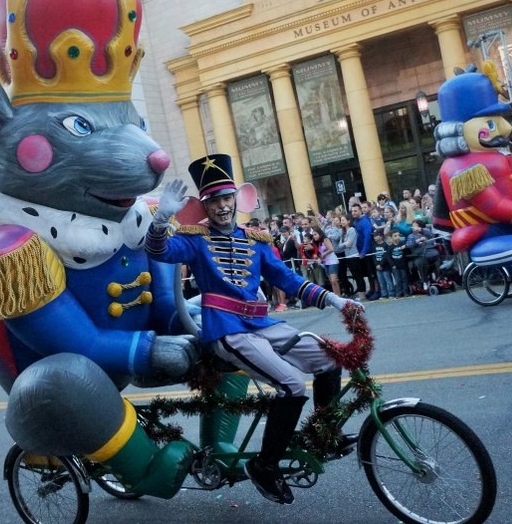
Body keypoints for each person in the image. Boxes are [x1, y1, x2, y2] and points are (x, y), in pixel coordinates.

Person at [145, 153, 364, 505]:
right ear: (205, 205)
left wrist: (334, 300)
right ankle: (265, 466)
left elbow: (288, 279)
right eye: (213, 200)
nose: (222, 206)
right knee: (292, 386)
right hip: (228, 331)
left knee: (330, 361)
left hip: (262, 324)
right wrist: (160, 219)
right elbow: (159, 252)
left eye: (226, 198)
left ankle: (326, 433)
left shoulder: (257, 240)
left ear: (236, 199)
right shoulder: (195, 238)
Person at [372, 229, 395, 298]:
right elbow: (373, 256)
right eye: (374, 236)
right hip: (378, 267)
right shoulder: (374, 246)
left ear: (381, 236)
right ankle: (384, 294)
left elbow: (386, 256)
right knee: (381, 282)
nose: (374, 237)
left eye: (376, 236)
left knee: (388, 281)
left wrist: (381, 264)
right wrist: (376, 265)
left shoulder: (385, 245)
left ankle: (391, 293)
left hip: (385, 266)